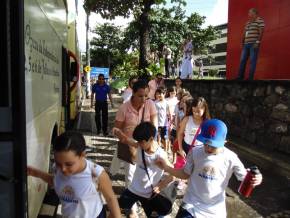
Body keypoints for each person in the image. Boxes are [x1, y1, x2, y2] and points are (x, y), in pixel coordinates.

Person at [156, 119, 263, 218]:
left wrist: (257, 179)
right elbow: (185, 174)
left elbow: (245, 177)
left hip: (215, 211)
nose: (208, 148)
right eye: (206, 144)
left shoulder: (231, 158)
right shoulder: (195, 152)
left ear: (224, 141)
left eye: (213, 146)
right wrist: (166, 167)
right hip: (191, 205)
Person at [27, 131, 121, 218]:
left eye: (69, 164)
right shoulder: (57, 168)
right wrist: (35, 173)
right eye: (58, 163)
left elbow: (111, 199)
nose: (63, 169)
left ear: (83, 155)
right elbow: (57, 181)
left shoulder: (96, 174)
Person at [114, 80, 158, 217]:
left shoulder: (150, 104)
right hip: (130, 147)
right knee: (130, 176)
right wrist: (124, 138)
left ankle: (144, 201)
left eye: (146, 95)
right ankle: (132, 209)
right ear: (133, 93)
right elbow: (115, 128)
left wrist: (153, 141)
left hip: (146, 147)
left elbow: (154, 126)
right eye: (140, 96)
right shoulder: (124, 108)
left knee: (146, 176)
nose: (144, 99)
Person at [113, 122, 173, 218]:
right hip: (133, 189)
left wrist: (161, 186)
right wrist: (118, 133)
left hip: (149, 195)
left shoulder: (160, 155)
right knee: (115, 209)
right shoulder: (140, 145)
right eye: (138, 141)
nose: (139, 144)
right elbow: (126, 140)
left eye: (142, 142)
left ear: (151, 139)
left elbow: (173, 174)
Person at [237, 8, 265, 80]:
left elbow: (261, 32)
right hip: (246, 44)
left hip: (253, 44)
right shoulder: (248, 22)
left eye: (250, 13)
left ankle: (250, 78)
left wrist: (257, 42)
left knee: (252, 61)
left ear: (254, 13)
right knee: (242, 60)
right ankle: (240, 77)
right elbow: (245, 32)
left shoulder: (260, 21)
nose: (249, 14)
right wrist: (242, 42)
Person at [155, 87, 170, 152]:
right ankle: (158, 150)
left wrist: (170, 123)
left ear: (164, 94)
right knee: (158, 137)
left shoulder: (166, 103)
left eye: (160, 94)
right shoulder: (155, 102)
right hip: (157, 123)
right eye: (157, 94)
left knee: (165, 138)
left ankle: (166, 151)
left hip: (165, 124)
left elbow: (169, 113)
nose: (158, 95)